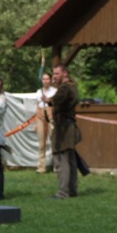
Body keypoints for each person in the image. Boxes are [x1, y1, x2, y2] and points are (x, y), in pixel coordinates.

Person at [47, 64, 81, 199]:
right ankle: (72, 189)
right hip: (67, 126)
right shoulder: (71, 86)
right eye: (53, 74)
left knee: (61, 160)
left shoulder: (65, 87)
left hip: (63, 128)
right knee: (70, 159)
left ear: (65, 73)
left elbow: (58, 99)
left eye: (57, 74)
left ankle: (63, 192)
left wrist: (48, 99)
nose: (54, 77)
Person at [35, 72, 57, 173]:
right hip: (41, 115)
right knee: (41, 143)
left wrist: (48, 100)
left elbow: (55, 103)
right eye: (44, 79)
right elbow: (37, 104)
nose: (45, 81)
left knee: (53, 140)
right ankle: (41, 166)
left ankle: (56, 165)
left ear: (51, 80)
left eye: (47, 79)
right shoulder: (39, 91)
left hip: (51, 115)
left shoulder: (54, 91)